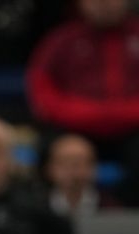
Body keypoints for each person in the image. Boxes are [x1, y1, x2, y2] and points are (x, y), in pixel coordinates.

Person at [26, 0, 139, 204]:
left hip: (133, 128)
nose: (104, 4)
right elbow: (41, 88)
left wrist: (119, 114)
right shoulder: (61, 39)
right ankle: (47, 219)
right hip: (75, 128)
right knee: (58, 150)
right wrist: (84, 114)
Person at [42, 131, 118, 216]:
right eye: (65, 163)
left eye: (80, 163)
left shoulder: (112, 208)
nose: (73, 171)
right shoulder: (35, 207)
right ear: (50, 168)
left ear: (94, 168)